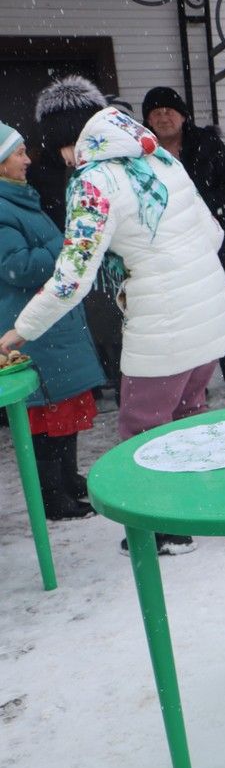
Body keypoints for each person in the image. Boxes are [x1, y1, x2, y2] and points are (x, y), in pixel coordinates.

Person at [0, 106, 225, 555]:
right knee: (188, 416)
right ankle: (193, 508)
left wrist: (20, 331)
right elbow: (212, 235)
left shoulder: (95, 184)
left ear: (82, 142)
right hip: (211, 315)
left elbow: (72, 279)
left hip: (163, 326)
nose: (50, 157)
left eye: (59, 146)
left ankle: (156, 531)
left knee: (143, 431)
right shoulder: (163, 164)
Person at [0, 121, 105, 520]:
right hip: (31, 328)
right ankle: (53, 497)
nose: (27, 160)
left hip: (50, 326)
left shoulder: (18, 199)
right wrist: (61, 249)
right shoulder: (3, 207)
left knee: (63, 403)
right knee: (46, 413)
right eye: (19, 153)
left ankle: (67, 477)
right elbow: (15, 267)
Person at [143, 86, 225, 396]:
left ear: (183, 115)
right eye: (156, 112)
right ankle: (192, 384)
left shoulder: (207, 143)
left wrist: (204, 207)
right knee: (185, 311)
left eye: (169, 110)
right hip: (169, 246)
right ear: (147, 119)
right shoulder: (142, 152)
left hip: (216, 240)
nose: (164, 117)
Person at [32, 76, 126, 402]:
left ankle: (121, 382)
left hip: (118, 269)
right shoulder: (51, 171)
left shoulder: (99, 174)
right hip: (93, 266)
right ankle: (109, 379)